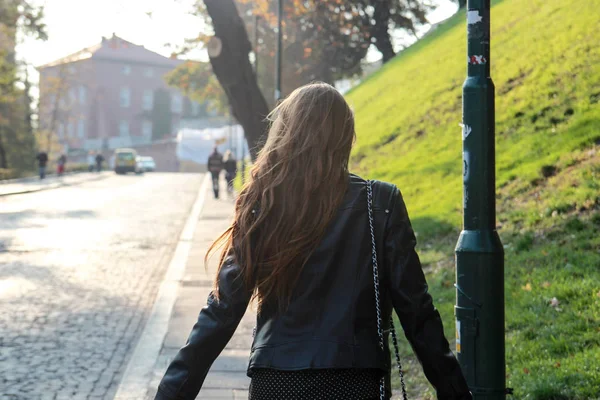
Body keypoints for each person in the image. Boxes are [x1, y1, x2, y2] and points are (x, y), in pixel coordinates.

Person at [155, 83, 471, 400]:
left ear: (285, 133)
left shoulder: (264, 202)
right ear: (345, 136)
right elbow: (417, 311)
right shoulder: (380, 201)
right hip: (354, 382)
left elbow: (222, 311)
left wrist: (170, 393)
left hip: (277, 382)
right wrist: (455, 391)